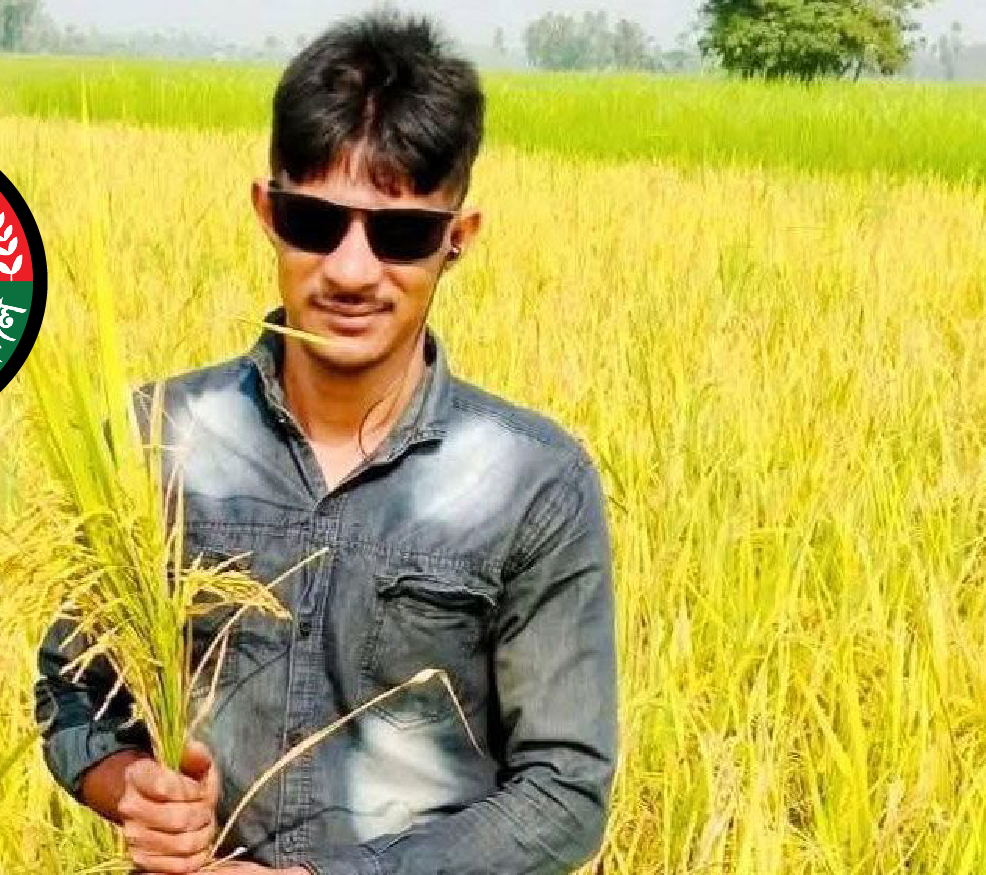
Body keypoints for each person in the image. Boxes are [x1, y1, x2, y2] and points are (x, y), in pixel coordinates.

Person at [33, 10, 618, 875]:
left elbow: (563, 793)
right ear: (267, 212)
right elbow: (72, 687)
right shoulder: (155, 436)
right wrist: (133, 790)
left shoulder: (530, 481)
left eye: (399, 233)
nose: (349, 269)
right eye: (315, 221)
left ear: (457, 239)